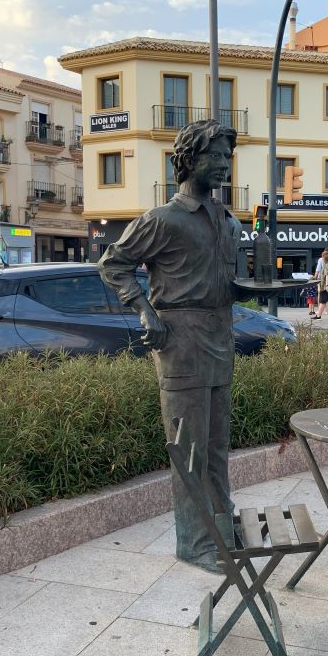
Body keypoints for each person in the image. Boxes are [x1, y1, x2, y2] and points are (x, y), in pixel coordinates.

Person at [98, 119, 246, 574]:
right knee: (190, 449)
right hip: (179, 339)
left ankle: (221, 525)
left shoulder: (227, 220)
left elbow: (225, 281)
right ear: (187, 160)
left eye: (227, 157)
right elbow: (114, 264)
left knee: (218, 446)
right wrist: (145, 311)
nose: (223, 165)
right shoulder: (162, 220)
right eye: (214, 156)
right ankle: (196, 542)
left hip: (220, 333)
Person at [313, 249, 328, 319]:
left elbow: (318, 270)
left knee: (322, 296)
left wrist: (315, 277)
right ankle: (327, 310)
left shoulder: (322, 260)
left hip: (323, 281)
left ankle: (319, 312)